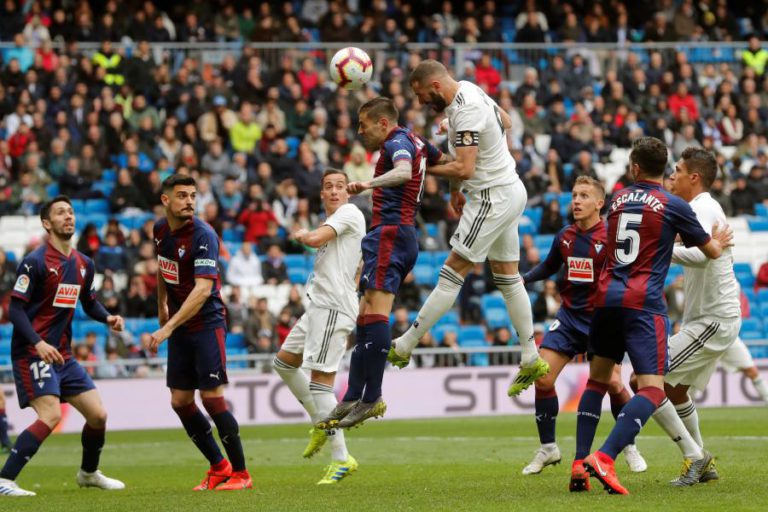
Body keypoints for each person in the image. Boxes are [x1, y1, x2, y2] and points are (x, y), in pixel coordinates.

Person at [572, 137, 732, 495]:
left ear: (634, 168)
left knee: (597, 381)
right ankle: (606, 456)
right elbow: (709, 251)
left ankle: (578, 465)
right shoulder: (674, 205)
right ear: (665, 169)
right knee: (651, 388)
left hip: (606, 298)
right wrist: (719, 243)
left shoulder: (617, 200)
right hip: (642, 305)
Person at [389, 59, 548, 395]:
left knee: (453, 271)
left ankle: (405, 344)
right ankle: (531, 355)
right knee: (507, 277)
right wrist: (455, 191)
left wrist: (420, 169)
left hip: (492, 197)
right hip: (509, 189)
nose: (420, 101)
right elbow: (505, 122)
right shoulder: (470, 91)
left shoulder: (466, 109)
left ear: (435, 85)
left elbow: (463, 167)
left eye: (420, 94)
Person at [316, 97, 444, 430]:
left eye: (364, 124)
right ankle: (353, 396)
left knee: (375, 313)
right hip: (393, 234)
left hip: (392, 232)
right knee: (365, 315)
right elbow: (444, 161)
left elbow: (403, 171)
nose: (360, 132)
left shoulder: (396, 142)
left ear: (383, 123)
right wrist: (457, 186)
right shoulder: (417, 140)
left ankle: (371, 396)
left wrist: (368, 184)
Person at [520, 177, 646, 478]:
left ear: (599, 203)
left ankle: (628, 444)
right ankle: (548, 448)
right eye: (575, 195)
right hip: (569, 318)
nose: (576, 200)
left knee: (613, 384)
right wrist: (523, 279)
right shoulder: (564, 236)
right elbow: (550, 266)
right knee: (542, 378)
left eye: (584, 196)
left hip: (603, 320)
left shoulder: (613, 238)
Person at [0, 196, 126, 497]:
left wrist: (108, 317)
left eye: (70, 212)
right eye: (60, 213)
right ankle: (4, 480)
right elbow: (15, 309)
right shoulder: (34, 261)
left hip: (62, 355)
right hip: (32, 353)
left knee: (98, 416)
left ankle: (88, 473)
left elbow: (89, 302)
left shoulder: (84, 264)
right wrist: (38, 343)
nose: (68, 216)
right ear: (47, 223)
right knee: (51, 415)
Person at [644, 148, 743, 486]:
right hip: (710, 318)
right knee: (674, 391)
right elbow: (702, 249)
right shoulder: (696, 209)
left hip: (713, 319)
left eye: (678, 170)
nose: (671, 175)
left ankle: (695, 456)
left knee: (646, 382)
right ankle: (703, 461)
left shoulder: (702, 207)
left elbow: (702, 257)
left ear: (694, 177)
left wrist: (660, 250)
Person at [150, 174, 251, 491]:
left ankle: (241, 474)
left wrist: (167, 327)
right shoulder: (160, 230)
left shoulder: (204, 235)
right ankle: (219, 467)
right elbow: (163, 267)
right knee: (180, 401)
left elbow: (203, 289)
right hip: (180, 324)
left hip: (206, 323)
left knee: (211, 397)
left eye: (193, 195)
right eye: (182, 195)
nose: (190, 201)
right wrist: (162, 305)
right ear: (166, 200)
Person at [272, 168, 365, 484]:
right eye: (329, 187)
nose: (335, 191)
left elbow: (312, 239)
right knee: (283, 363)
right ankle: (320, 422)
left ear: (347, 192)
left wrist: (300, 233)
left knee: (320, 384)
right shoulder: (334, 221)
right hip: (317, 306)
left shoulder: (349, 213)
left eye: (340, 186)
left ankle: (341, 458)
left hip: (332, 308)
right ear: (322, 193)